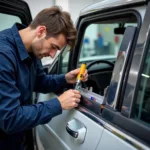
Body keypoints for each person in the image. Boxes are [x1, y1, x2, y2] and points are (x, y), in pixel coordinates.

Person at [0, 6, 88, 150]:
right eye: (53, 46)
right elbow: (10, 119)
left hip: (21, 138)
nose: (53, 55)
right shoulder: (3, 55)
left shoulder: (32, 50)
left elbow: (40, 82)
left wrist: (65, 78)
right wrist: (58, 104)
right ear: (41, 31)